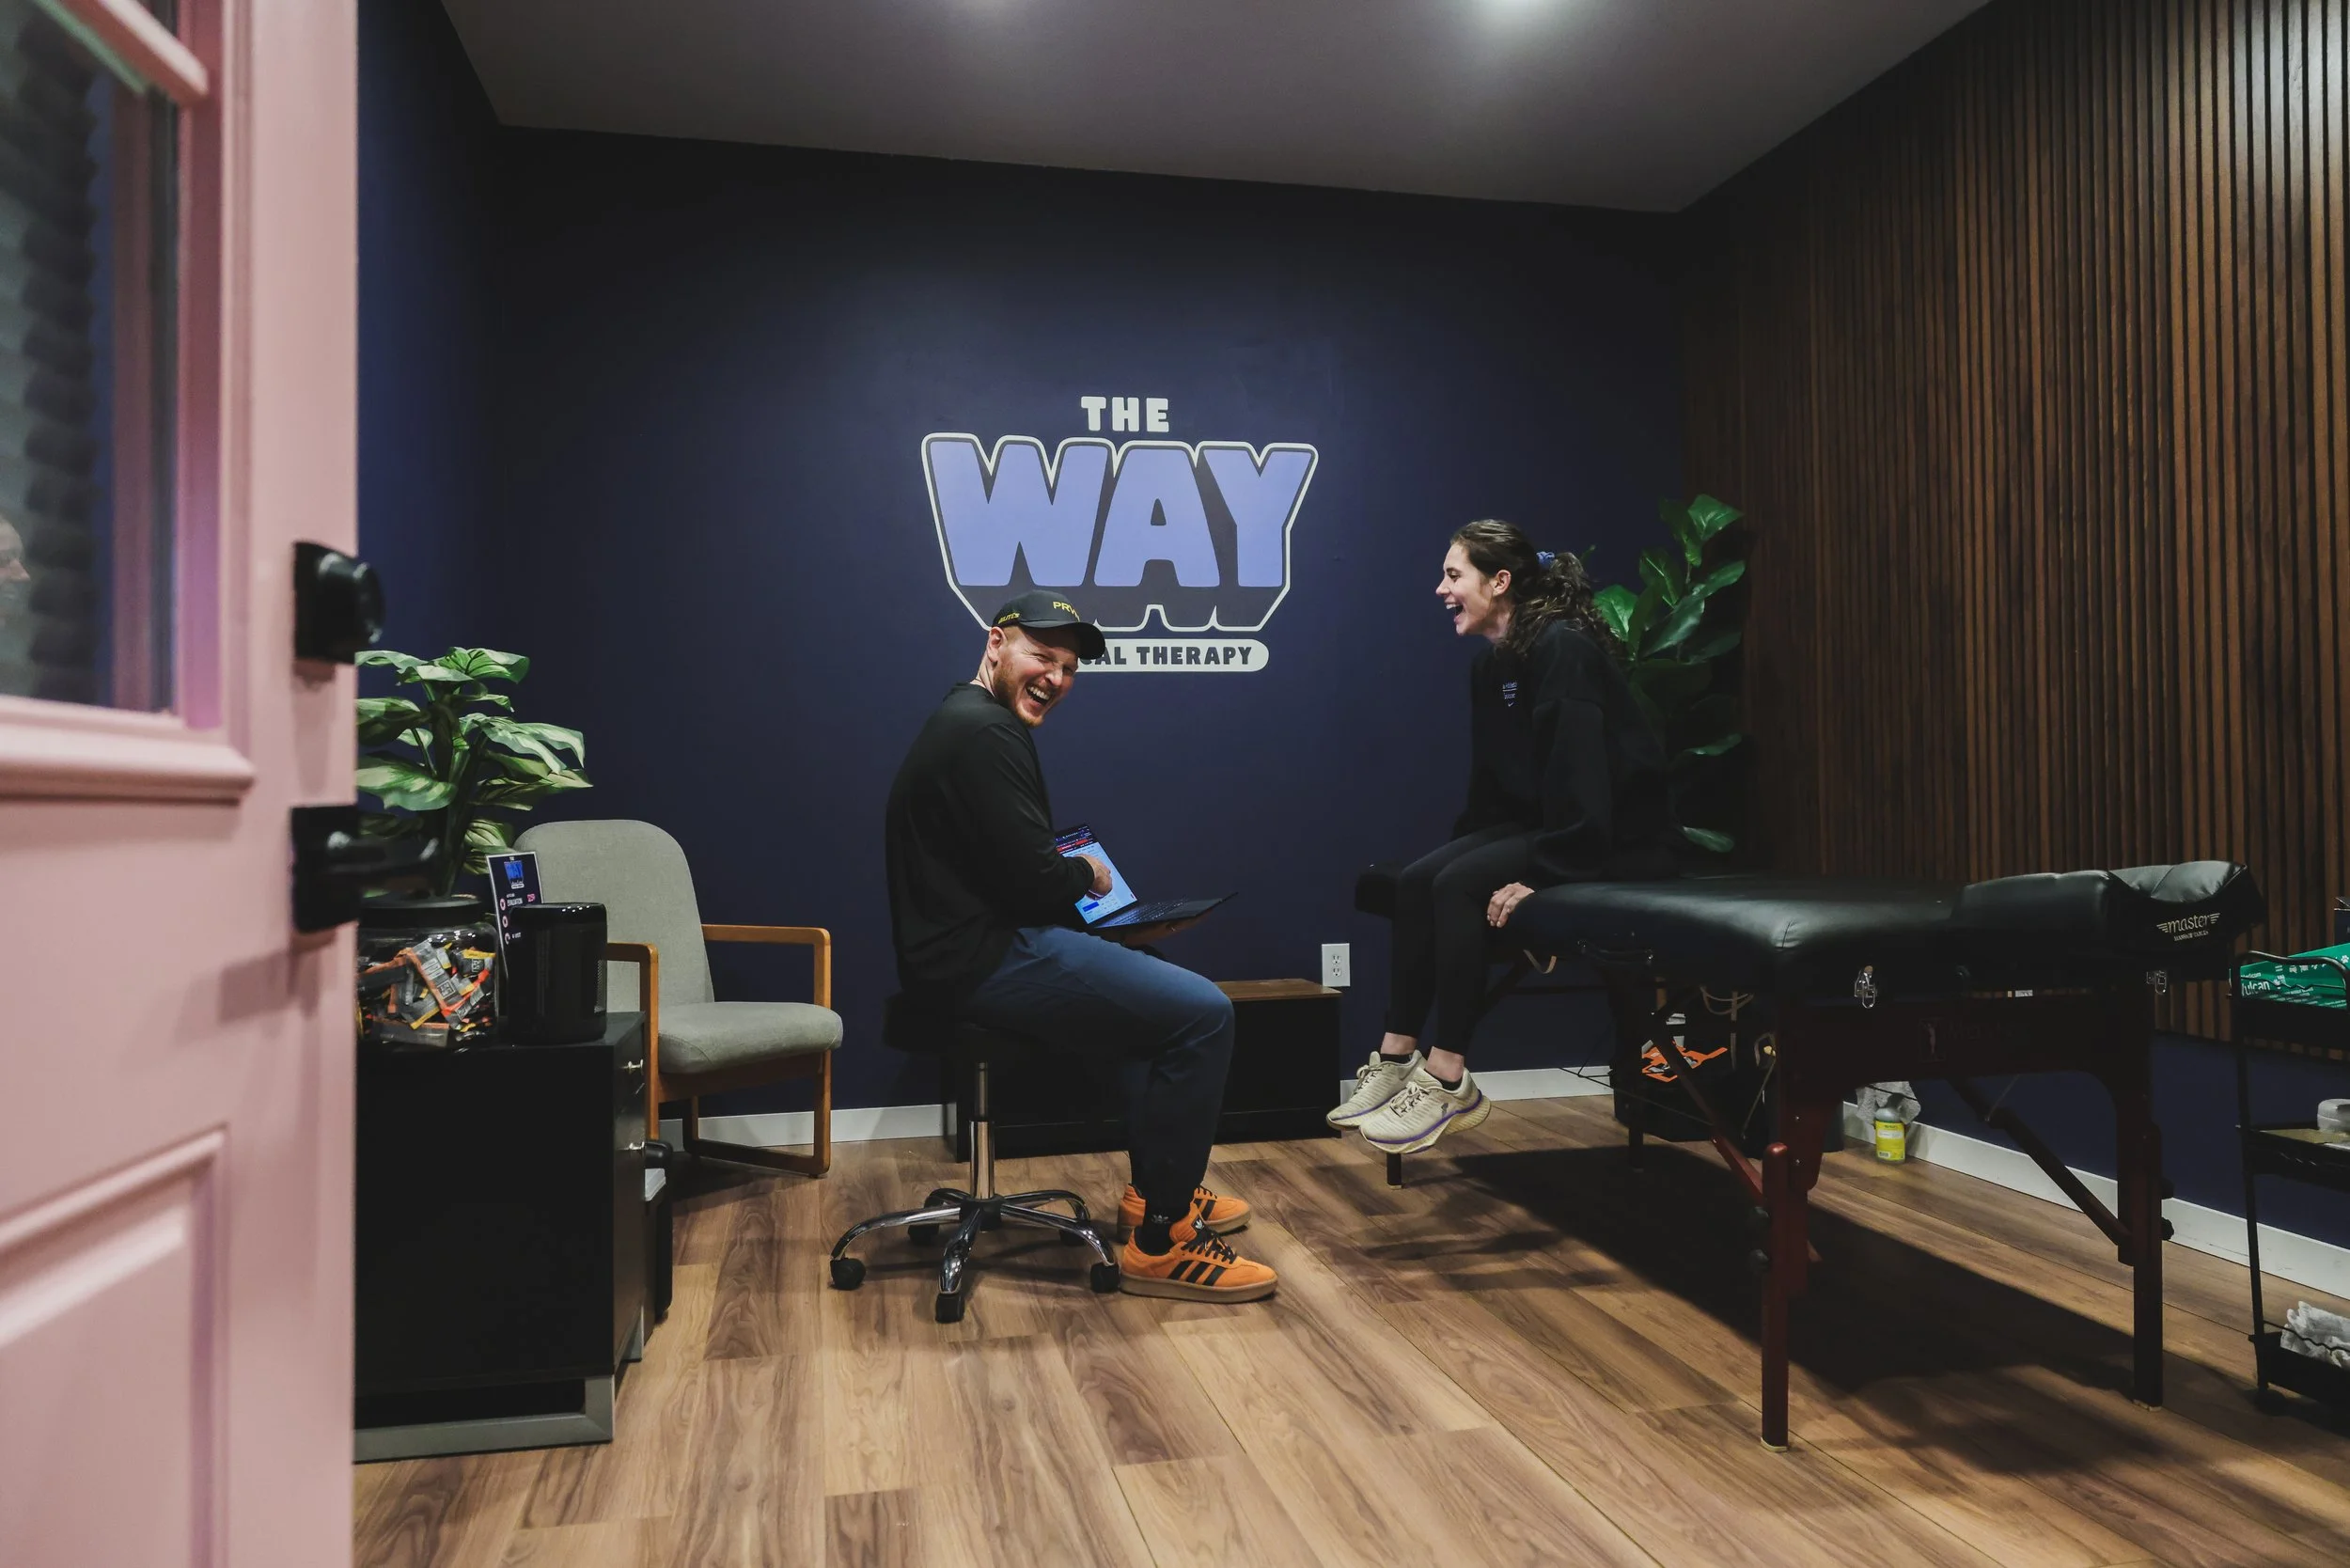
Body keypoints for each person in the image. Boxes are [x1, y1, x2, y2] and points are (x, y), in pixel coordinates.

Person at [885, 590, 1276, 1302]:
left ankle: (1157, 1194)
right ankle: (1163, 1244)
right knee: (1205, 1013)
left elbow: (1004, 872)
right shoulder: (986, 732)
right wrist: (1088, 875)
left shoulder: (967, 719)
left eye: (1069, 668)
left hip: (979, 947)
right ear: (996, 643)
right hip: (982, 962)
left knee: (1150, 991)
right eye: (1043, 656)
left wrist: (1114, 932)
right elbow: (1035, 881)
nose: (1056, 678)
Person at [1330, 520, 1675, 1154]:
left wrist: (1543, 875)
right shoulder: (1493, 667)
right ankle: (1396, 1054)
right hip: (1554, 821)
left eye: (1453, 575)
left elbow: (1585, 778)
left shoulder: (1562, 648)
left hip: (1619, 837)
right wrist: (1472, 851)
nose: (1441, 589)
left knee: (1459, 885)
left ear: (1501, 582)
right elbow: (1493, 788)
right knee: (1418, 880)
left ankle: (1448, 1076)